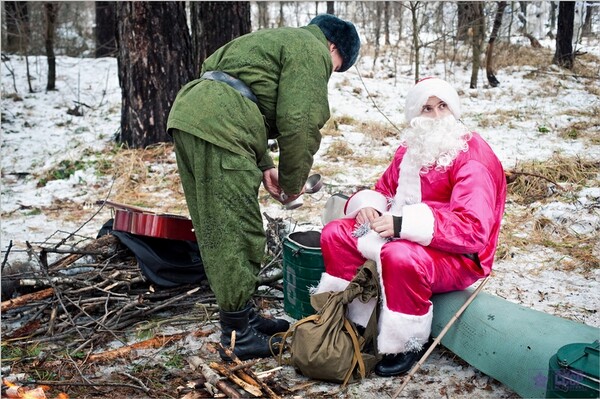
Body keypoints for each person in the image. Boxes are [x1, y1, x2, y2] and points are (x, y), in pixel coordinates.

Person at [166, 15, 360, 361]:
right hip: (223, 124)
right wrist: (292, 183)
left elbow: (241, 91)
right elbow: (300, 122)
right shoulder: (311, 50)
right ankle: (237, 335)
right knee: (237, 229)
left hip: (193, 115)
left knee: (216, 224)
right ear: (333, 47)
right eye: (336, 67)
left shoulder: (275, 40)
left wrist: (265, 165)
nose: (328, 73)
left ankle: (242, 315)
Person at [314, 77, 507, 376]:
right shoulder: (410, 149)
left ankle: (405, 342)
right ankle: (355, 320)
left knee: (400, 255)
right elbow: (386, 190)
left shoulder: (472, 157)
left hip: (460, 256)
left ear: (454, 109)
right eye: (427, 109)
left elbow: (473, 230)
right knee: (338, 233)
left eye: (442, 106)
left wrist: (403, 224)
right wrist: (370, 207)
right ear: (415, 115)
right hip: (399, 231)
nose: (436, 116)